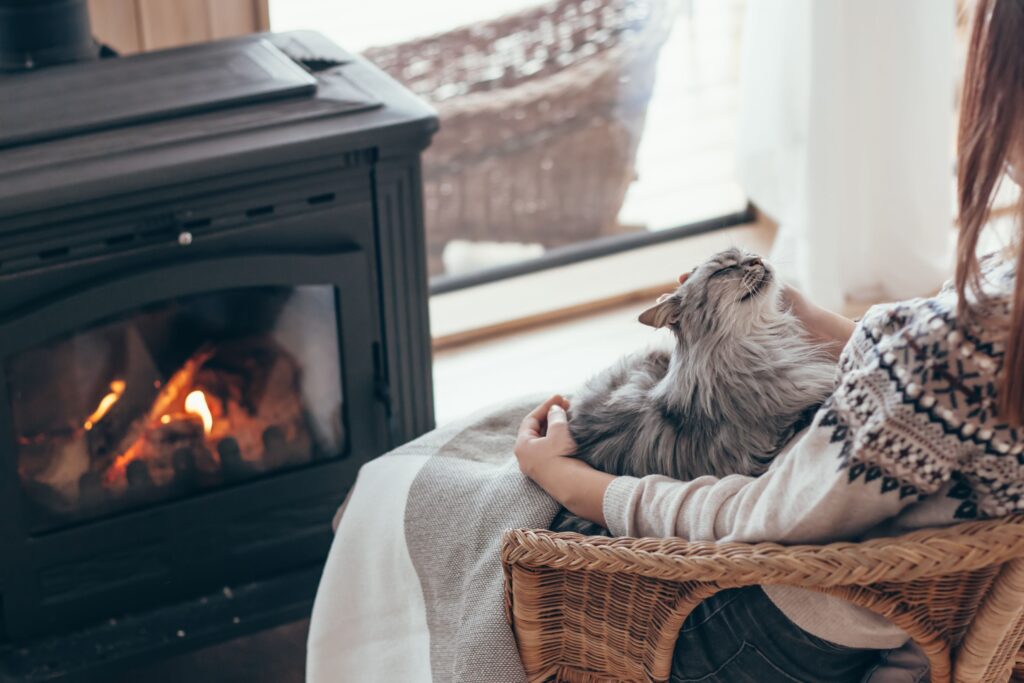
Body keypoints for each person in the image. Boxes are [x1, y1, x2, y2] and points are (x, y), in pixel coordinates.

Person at [514, 1, 1024, 680]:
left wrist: (578, 485)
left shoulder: (947, 350)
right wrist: (823, 323)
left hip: (791, 635)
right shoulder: (981, 324)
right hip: (945, 617)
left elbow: (761, 518)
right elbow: (947, 401)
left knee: (495, 529)